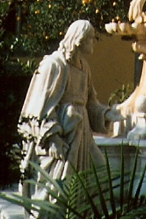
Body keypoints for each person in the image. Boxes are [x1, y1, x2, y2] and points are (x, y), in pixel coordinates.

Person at [19, 20, 122, 195]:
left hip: (82, 134)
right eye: (90, 38)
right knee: (59, 188)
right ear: (79, 40)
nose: (93, 42)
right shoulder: (54, 65)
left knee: (100, 174)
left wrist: (106, 114)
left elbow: (90, 103)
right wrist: (52, 138)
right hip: (63, 134)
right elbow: (40, 108)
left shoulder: (84, 67)